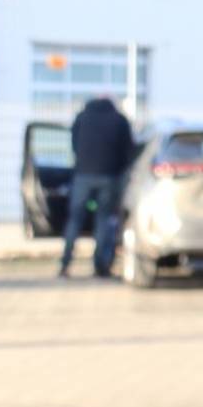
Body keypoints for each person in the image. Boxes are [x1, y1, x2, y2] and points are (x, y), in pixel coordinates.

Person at [60, 96, 135, 277]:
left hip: (83, 175)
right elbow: (127, 151)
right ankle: (100, 266)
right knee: (103, 221)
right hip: (109, 177)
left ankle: (65, 264)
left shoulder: (82, 117)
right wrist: (118, 171)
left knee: (75, 220)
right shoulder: (119, 120)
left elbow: (74, 144)